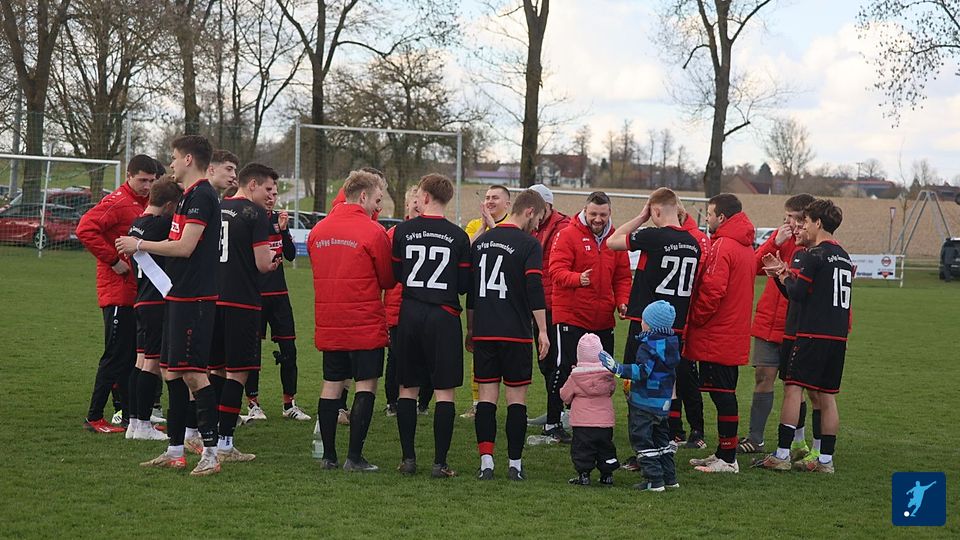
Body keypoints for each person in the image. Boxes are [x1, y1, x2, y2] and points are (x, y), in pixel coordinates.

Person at [116, 134, 229, 476]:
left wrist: (140, 244)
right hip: (177, 296)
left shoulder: (202, 196)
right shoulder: (187, 196)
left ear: (189, 159)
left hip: (195, 298)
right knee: (172, 371)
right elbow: (175, 241)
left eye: (175, 157)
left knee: (193, 373)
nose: (171, 163)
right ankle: (175, 450)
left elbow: (184, 247)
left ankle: (211, 454)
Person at [607, 187, 704, 466]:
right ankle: (666, 442)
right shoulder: (693, 243)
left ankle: (645, 447)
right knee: (666, 385)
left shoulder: (653, 236)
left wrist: (640, 218)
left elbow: (612, 242)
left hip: (647, 324)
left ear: (656, 211)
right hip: (675, 326)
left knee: (638, 383)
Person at [755, 199, 852, 474]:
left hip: (811, 334)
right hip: (837, 337)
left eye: (806, 221)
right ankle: (825, 461)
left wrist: (783, 275)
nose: (803, 226)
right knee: (827, 396)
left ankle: (782, 454)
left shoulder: (813, 254)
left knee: (793, 388)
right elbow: (805, 292)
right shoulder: (844, 256)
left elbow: (796, 294)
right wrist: (783, 276)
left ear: (818, 223)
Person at [308, 170, 395, 472]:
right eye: (377, 200)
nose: (378, 206)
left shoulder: (318, 230)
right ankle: (354, 457)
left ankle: (329, 456)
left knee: (331, 384)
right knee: (365, 386)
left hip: (330, 320)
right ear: (363, 196)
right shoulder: (373, 231)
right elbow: (388, 278)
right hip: (364, 321)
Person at [391, 174, 472, 478]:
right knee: (445, 392)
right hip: (444, 316)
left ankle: (408, 459)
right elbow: (463, 284)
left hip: (410, 312)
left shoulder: (403, 230)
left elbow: (396, 274)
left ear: (424, 197)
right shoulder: (459, 236)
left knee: (407, 388)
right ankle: (440, 463)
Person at [466, 189, 549, 481]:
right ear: (529, 211)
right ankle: (515, 464)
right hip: (516, 334)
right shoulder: (530, 244)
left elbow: (472, 294)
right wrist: (543, 330)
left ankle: (486, 463)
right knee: (516, 401)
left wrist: (471, 329)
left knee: (486, 399)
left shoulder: (482, 241)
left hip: (485, 331)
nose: (537, 226)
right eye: (538, 219)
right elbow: (534, 289)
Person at [207, 163, 281, 462]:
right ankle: (225, 444)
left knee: (215, 370)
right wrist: (272, 261)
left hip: (213, 299)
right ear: (252, 185)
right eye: (267, 189)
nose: (270, 196)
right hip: (242, 302)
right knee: (237, 373)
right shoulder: (255, 214)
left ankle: (209, 436)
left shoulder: (218, 207)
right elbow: (262, 263)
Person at [77, 154, 156, 433]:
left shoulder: (143, 203)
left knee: (130, 356)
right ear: (128, 177)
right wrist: (113, 260)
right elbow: (85, 229)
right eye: (142, 180)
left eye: (151, 181)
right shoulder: (117, 202)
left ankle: (130, 416)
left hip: (135, 290)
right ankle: (94, 417)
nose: (147, 186)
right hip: (117, 291)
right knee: (115, 355)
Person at [547, 191, 631, 444]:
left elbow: (622, 276)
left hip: (603, 318)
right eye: (593, 213)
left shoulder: (615, 239)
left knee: (603, 371)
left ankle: (590, 421)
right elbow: (555, 270)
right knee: (564, 367)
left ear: (609, 213)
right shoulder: (567, 234)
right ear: (585, 211)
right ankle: (553, 422)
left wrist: (622, 301)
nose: (598, 219)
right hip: (571, 315)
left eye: (602, 214)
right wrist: (577, 279)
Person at [683, 193, 756, 474]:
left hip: (718, 333)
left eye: (711, 214)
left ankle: (728, 458)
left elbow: (713, 290)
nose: (708, 219)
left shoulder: (724, 245)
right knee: (722, 393)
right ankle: (724, 452)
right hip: (731, 331)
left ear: (722, 217)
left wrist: (695, 318)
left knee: (723, 394)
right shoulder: (743, 245)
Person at [738, 194, 815, 454]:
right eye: (786, 217)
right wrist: (774, 242)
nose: (788, 223)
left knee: (795, 385)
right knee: (763, 376)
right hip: (767, 321)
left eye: (792, 218)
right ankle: (755, 439)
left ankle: (798, 441)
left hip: (796, 325)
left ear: (806, 219)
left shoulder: (814, 246)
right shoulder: (780, 239)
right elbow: (753, 266)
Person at [242, 187, 311, 422]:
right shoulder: (249, 219)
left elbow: (290, 255)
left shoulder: (277, 221)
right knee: (252, 352)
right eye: (268, 194)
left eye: (275, 195)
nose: (271, 199)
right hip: (254, 295)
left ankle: (289, 404)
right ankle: (253, 404)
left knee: (289, 351)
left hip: (280, 296)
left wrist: (283, 230)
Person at [599, 300, 681, 492]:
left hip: (644, 402)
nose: (641, 323)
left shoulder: (648, 346)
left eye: (644, 320)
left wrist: (618, 369)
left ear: (651, 325)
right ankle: (669, 477)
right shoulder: (671, 345)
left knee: (642, 440)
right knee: (661, 441)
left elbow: (643, 371)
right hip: (662, 403)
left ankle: (654, 479)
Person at [126, 179, 182, 440]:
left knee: (140, 362)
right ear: (170, 205)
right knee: (152, 364)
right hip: (157, 299)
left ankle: (134, 422)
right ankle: (143, 425)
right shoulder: (161, 225)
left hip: (141, 298)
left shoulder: (136, 223)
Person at [461, 184, 512, 418]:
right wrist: (483, 226)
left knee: (508, 354)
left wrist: (493, 226)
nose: (490, 201)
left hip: (506, 298)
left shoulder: (513, 225)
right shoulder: (474, 225)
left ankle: (513, 404)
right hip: (480, 295)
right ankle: (477, 403)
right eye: (488, 197)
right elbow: (466, 252)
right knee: (479, 351)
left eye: (495, 198)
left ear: (507, 204)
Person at [383, 186, 434, 417]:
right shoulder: (394, 233)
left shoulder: (435, 233)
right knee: (396, 356)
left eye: (421, 201)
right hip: (398, 305)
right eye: (413, 202)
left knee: (427, 354)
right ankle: (393, 402)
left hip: (426, 305)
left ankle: (423, 401)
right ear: (406, 205)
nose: (417, 206)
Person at [667, 205, 710, 448]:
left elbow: (701, 280)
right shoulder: (669, 236)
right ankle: (675, 428)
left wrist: (693, 317)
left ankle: (696, 430)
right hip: (669, 318)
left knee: (686, 377)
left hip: (686, 322)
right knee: (669, 376)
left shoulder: (698, 239)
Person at [560, 333, 617, 486]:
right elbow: (611, 390)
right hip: (604, 421)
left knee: (582, 449)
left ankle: (584, 474)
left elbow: (565, 395)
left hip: (582, 422)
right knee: (605, 447)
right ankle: (607, 474)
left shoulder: (575, 376)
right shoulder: (608, 375)